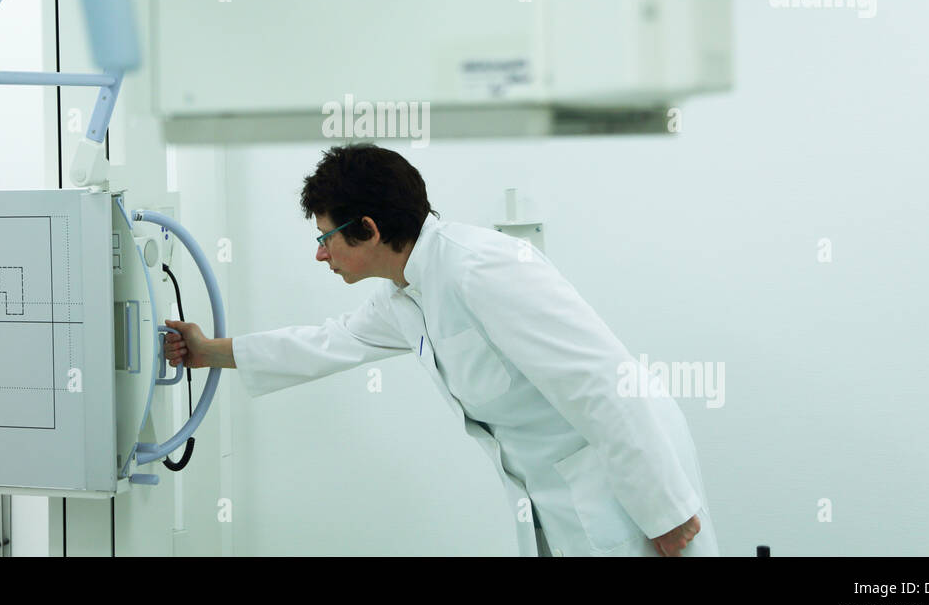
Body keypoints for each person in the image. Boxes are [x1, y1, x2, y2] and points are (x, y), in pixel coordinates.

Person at [163, 143, 719, 557]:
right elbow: (330, 341)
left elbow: (601, 380)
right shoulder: (407, 294)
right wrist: (210, 351)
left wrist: (664, 509)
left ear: (369, 229)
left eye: (324, 238)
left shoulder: (481, 268)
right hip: (560, 495)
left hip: (623, 486)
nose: (321, 255)